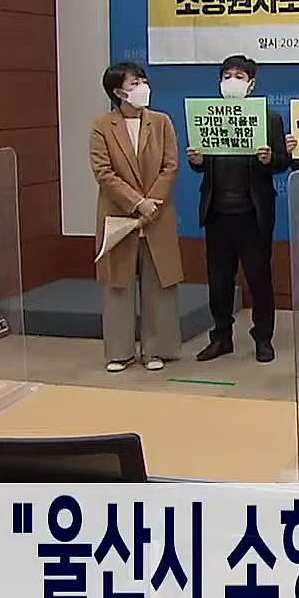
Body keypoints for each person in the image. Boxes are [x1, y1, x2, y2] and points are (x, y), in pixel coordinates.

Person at [187, 55, 291, 363]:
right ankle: (221, 337)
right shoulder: (209, 116)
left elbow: (283, 162)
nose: (232, 81)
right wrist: (198, 161)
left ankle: (263, 338)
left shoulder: (269, 118)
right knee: (219, 281)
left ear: (252, 83)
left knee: (259, 279)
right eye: (227, 76)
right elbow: (202, 164)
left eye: (239, 76)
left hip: (253, 214)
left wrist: (269, 159)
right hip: (217, 212)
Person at [90, 61, 182, 372]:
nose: (143, 87)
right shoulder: (102, 126)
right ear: (119, 92)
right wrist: (137, 203)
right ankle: (119, 352)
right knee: (118, 284)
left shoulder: (161, 122)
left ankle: (156, 350)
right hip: (119, 216)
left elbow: (170, 166)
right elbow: (104, 172)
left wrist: (151, 202)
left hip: (157, 215)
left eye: (143, 81)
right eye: (135, 83)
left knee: (159, 283)